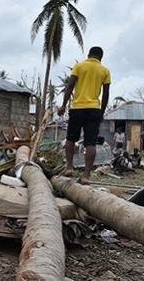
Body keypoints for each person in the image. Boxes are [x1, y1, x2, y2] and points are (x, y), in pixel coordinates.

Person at [58, 46, 111, 184]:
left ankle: (69, 167)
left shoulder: (79, 66)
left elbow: (70, 86)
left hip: (77, 108)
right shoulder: (105, 71)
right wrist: (102, 111)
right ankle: (86, 175)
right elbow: (106, 94)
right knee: (90, 143)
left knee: (70, 139)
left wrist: (63, 105)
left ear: (88, 55)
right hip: (94, 109)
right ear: (101, 57)